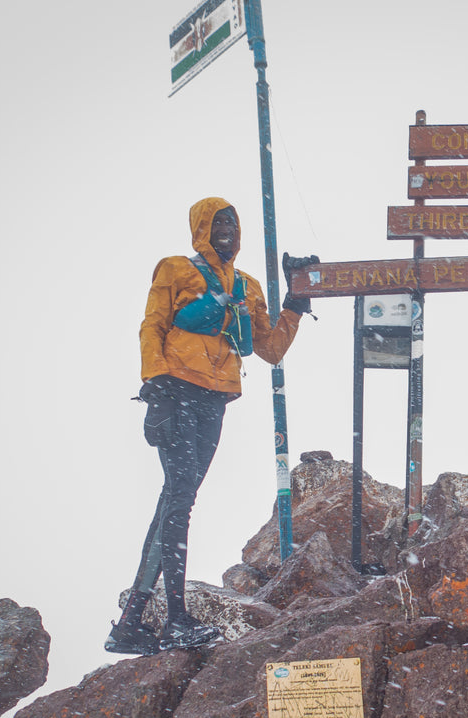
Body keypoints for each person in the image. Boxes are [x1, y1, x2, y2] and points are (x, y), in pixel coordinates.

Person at [106, 196, 315, 654]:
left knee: (177, 500)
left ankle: (130, 622)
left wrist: (296, 300)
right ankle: (174, 619)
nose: (226, 230)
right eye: (218, 223)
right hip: (175, 392)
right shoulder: (175, 269)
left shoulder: (247, 285)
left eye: (232, 223)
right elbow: (152, 325)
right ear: (200, 227)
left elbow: (270, 348)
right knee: (179, 496)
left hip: (215, 399)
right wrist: (154, 384)